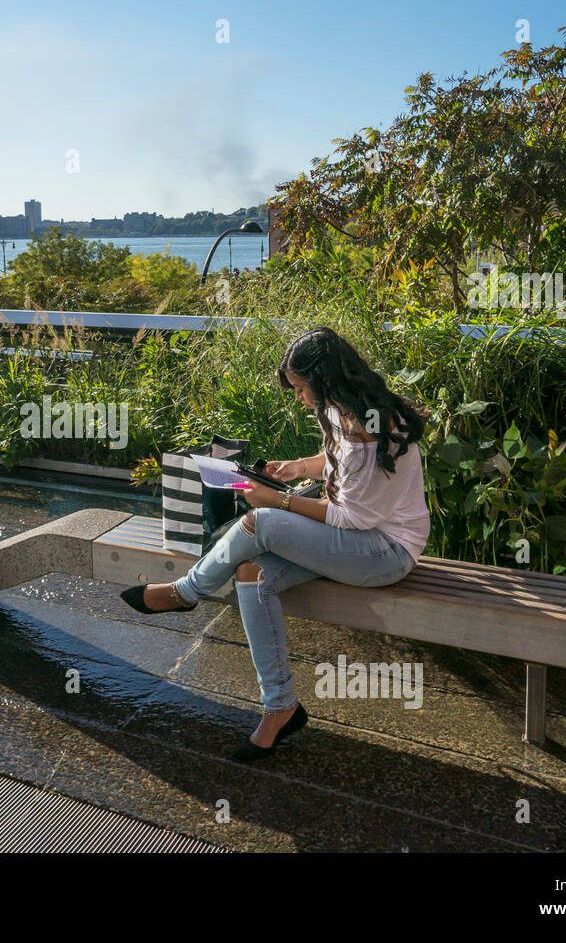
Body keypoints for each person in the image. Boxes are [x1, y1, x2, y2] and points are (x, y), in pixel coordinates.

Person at [120, 326, 430, 761]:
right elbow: (339, 462)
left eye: (303, 388)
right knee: (253, 571)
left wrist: (277, 500)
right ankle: (281, 707)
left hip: (384, 551)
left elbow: (352, 516)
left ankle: (185, 592)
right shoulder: (348, 410)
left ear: (325, 381)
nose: (301, 398)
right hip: (351, 540)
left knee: (259, 521)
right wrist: (299, 467)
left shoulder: (373, 427)